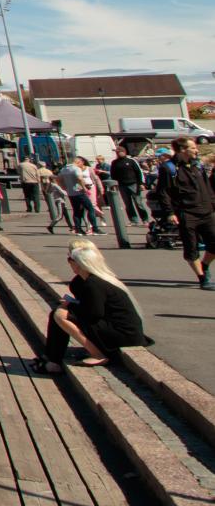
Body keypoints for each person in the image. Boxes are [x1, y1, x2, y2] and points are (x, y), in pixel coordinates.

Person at [30, 240, 151, 373]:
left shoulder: (94, 284)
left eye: (71, 259)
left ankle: (97, 355)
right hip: (116, 328)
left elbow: (93, 313)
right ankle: (52, 358)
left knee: (59, 315)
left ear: (80, 264)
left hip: (123, 334)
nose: (68, 262)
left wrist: (68, 306)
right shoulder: (89, 280)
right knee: (58, 314)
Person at [159, 138, 215, 289]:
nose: (197, 150)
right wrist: (170, 213)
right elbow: (163, 192)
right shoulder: (169, 168)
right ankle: (202, 279)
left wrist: (213, 204)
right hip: (186, 212)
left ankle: (204, 265)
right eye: (193, 148)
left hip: (206, 211)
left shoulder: (198, 165)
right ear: (182, 150)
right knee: (191, 247)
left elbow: (207, 187)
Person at [109, 145, 149, 223]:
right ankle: (133, 220)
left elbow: (138, 172)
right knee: (128, 204)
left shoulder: (131, 161)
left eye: (119, 152)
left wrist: (141, 183)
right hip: (122, 185)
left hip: (133, 184)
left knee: (138, 203)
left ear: (124, 152)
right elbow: (113, 174)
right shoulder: (114, 163)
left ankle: (145, 219)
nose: (117, 153)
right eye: (116, 152)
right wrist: (114, 184)